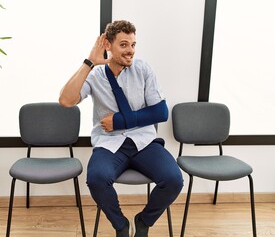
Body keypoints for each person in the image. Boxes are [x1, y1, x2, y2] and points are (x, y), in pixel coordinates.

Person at [59, 20, 183, 237]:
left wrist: (120, 121)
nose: (131, 51)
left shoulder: (143, 70)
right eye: (124, 45)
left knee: (173, 180)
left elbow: (161, 113)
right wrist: (89, 62)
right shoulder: (95, 75)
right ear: (108, 45)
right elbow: (66, 101)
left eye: (133, 45)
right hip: (109, 143)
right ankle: (121, 225)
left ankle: (143, 221)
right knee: (96, 179)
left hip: (144, 142)